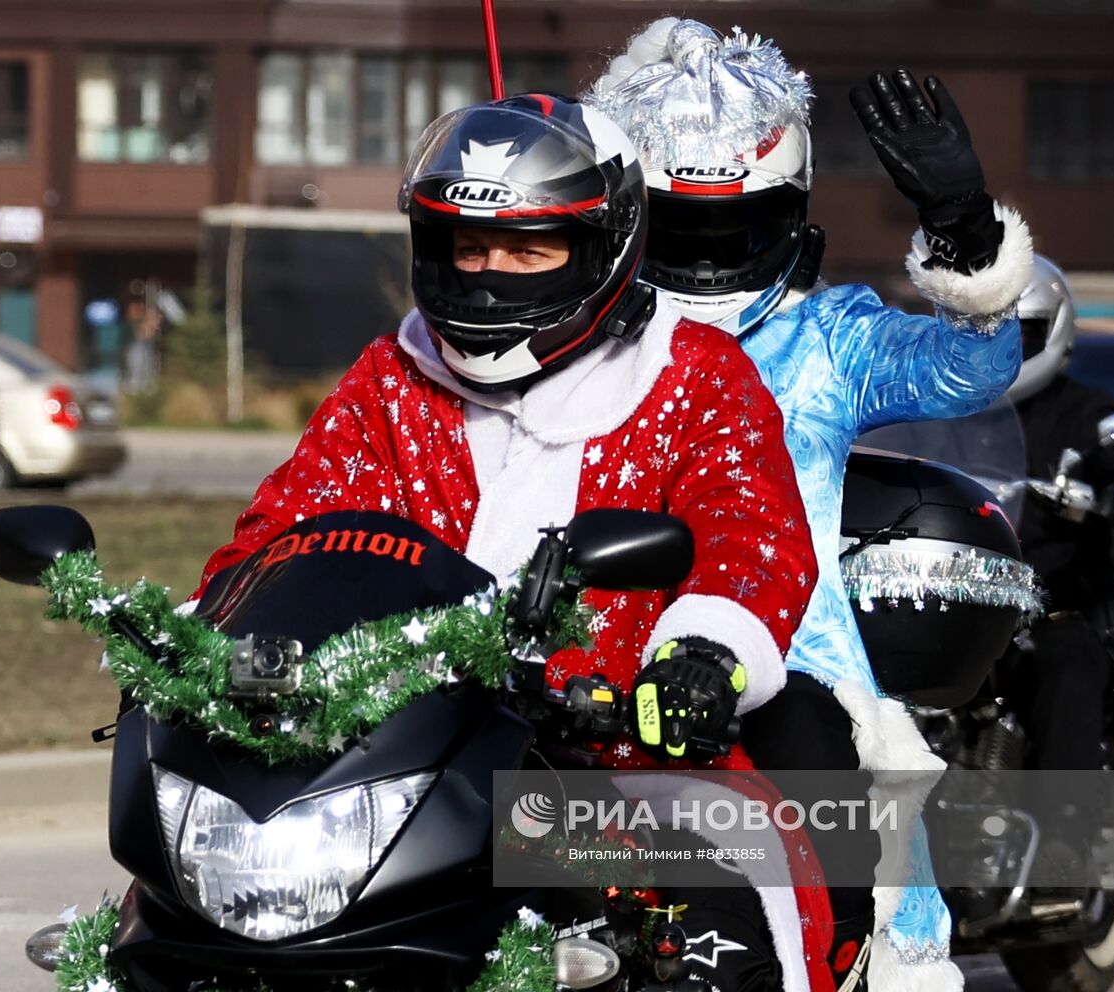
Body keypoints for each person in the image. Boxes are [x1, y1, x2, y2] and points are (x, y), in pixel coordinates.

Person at [192, 94, 828, 988]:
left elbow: (750, 532)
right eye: (469, 246)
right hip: (397, 770)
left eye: (530, 248)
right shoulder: (393, 381)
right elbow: (289, 529)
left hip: (615, 766)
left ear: (602, 246)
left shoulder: (694, 376)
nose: (490, 273)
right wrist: (206, 634)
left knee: (719, 934)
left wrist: (700, 657)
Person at [585, 19, 1036, 991]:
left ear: (787, 216)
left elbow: (970, 368)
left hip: (798, 680)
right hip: (590, 673)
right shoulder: (582, 340)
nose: (706, 261)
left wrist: (965, 231)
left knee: (863, 929)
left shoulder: (827, 338)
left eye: (734, 230)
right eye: (679, 229)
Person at [1008, 255, 1114, 772]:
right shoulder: (943, 406)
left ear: (1054, 329)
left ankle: (1061, 831)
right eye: (984, 330)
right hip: (954, 599)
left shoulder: (1084, 410)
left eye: (1021, 330)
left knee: (1072, 664)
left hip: (1053, 603)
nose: (1004, 344)